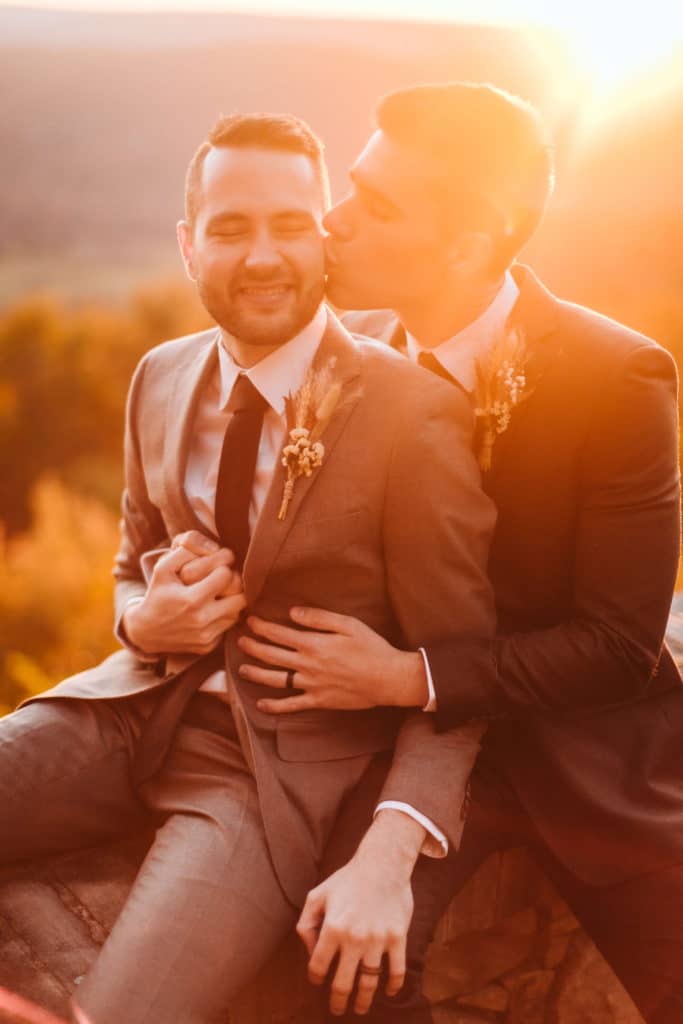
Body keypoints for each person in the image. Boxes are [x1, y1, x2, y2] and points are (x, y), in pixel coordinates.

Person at [0, 111, 498, 1024]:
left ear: (325, 238)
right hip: (122, 716)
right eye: (230, 228)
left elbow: (457, 674)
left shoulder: (410, 414)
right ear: (190, 247)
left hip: (265, 783)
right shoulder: (158, 374)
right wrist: (141, 620)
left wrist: (390, 849)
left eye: (288, 225)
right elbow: (129, 557)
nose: (261, 256)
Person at [240, 83, 683, 1023]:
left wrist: (408, 677)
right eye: (350, 187)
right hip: (394, 752)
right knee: (331, 971)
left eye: (376, 206)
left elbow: (617, 646)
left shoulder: (617, 379)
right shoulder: (341, 357)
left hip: (586, 756)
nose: (334, 221)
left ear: (469, 246)